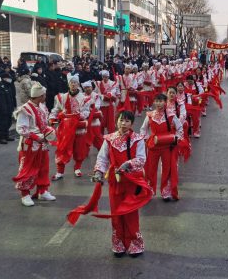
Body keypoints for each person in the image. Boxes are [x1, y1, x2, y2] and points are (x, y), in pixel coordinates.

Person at [92, 111, 152, 257]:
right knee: (116, 212)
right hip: (115, 181)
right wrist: (99, 172)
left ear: (132, 123)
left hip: (131, 181)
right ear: (116, 121)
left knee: (130, 213)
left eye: (127, 121)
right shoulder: (109, 139)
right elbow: (102, 158)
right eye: (121, 120)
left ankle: (134, 243)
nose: (123, 124)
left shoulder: (138, 139)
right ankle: (118, 243)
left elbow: (141, 159)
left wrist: (127, 164)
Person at [13, 82, 56, 206]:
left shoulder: (42, 106)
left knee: (44, 168)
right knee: (27, 169)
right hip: (29, 145)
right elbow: (21, 129)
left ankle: (42, 191)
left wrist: (48, 132)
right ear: (40, 96)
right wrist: (36, 137)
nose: (45, 96)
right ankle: (25, 194)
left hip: (42, 143)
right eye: (44, 95)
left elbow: (44, 124)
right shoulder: (25, 109)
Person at [140, 93, 183, 200]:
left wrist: (176, 138)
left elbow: (180, 128)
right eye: (157, 101)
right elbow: (143, 129)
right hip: (153, 146)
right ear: (154, 102)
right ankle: (150, 190)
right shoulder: (150, 115)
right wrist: (144, 140)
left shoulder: (171, 115)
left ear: (165, 102)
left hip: (166, 146)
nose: (159, 103)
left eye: (161, 101)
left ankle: (166, 192)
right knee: (151, 169)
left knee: (166, 169)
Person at [49, 75, 89, 180]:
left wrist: (81, 115)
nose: (73, 84)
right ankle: (60, 171)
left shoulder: (84, 98)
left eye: (75, 82)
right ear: (68, 84)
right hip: (65, 128)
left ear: (78, 84)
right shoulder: (62, 97)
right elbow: (56, 109)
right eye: (71, 82)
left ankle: (77, 168)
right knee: (62, 149)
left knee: (79, 149)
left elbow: (86, 111)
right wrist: (52, 117)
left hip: (78, 127)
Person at [0, 72, 17, 144]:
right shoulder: (1, 86)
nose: (10, 79)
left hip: (9, 108)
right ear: (4, 78)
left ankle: (6, 136)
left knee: (8, 122)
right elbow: (1, 100)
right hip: (3, 109)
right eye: (9, 78)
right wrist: (4, 109)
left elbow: (11, 97)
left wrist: (12, 107)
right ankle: (1, 138)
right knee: (3, 123)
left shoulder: (8, 86)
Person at [96, 70, 118, 134]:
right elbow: (96, 92)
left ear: (108, 77)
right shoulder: (99, 83)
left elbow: (114, 91)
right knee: (102, 120)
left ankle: (110, 133)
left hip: (110, 104)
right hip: (102, 104)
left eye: (106, 77)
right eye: (103, 77)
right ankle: (101, 134)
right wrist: (102, 96)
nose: (105, 78)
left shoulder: (112, 83)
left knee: (110, 120)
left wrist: (109, 94)